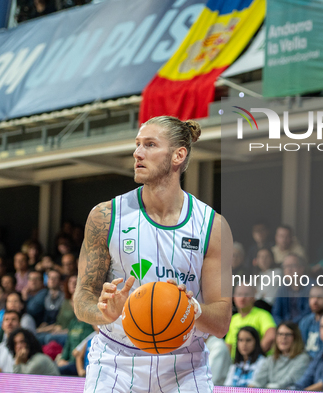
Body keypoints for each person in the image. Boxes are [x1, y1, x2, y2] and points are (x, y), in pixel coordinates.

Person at [74, 116, 233, 392]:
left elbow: (221, 323)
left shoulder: (213, 226)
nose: (137, 153)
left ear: (178, 155)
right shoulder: (105, 216)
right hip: (116, 361)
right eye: (137, 145)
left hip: (185, 364)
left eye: (149, 144)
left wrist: (192, 310)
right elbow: (81, 299)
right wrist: (105, 314)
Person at [249, 322, 311, 389]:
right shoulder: (271, 359)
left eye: (288, 334)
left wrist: (267, 388)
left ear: (296, 337)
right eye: (280, 334)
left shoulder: (303, 359)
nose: (283, 338)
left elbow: (287, 382)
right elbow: (258, 381)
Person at [225, 284, 276, 359]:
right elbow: (228, 345)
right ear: (234, 297)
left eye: (246, 294)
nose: (242, 298)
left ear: (254, 297)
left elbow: (271, 336)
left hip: (257, 365)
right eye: (239, 294)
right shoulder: (233, 319)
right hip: (237, 366)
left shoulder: (263, 315)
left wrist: (254, 357)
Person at [271, 254, 311, 324]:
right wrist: (282, 326)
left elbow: (309, 313)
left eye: (292, 266)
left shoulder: (311, 287)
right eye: (285, 267)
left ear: (301, 268)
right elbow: (275, 313)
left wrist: (291, 326)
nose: (289, 270)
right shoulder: (282, 289)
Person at [298, 285, 323, 358]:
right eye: (312, 297)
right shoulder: (305, 321)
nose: (315, 301)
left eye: (319, 297)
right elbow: (299, 346)